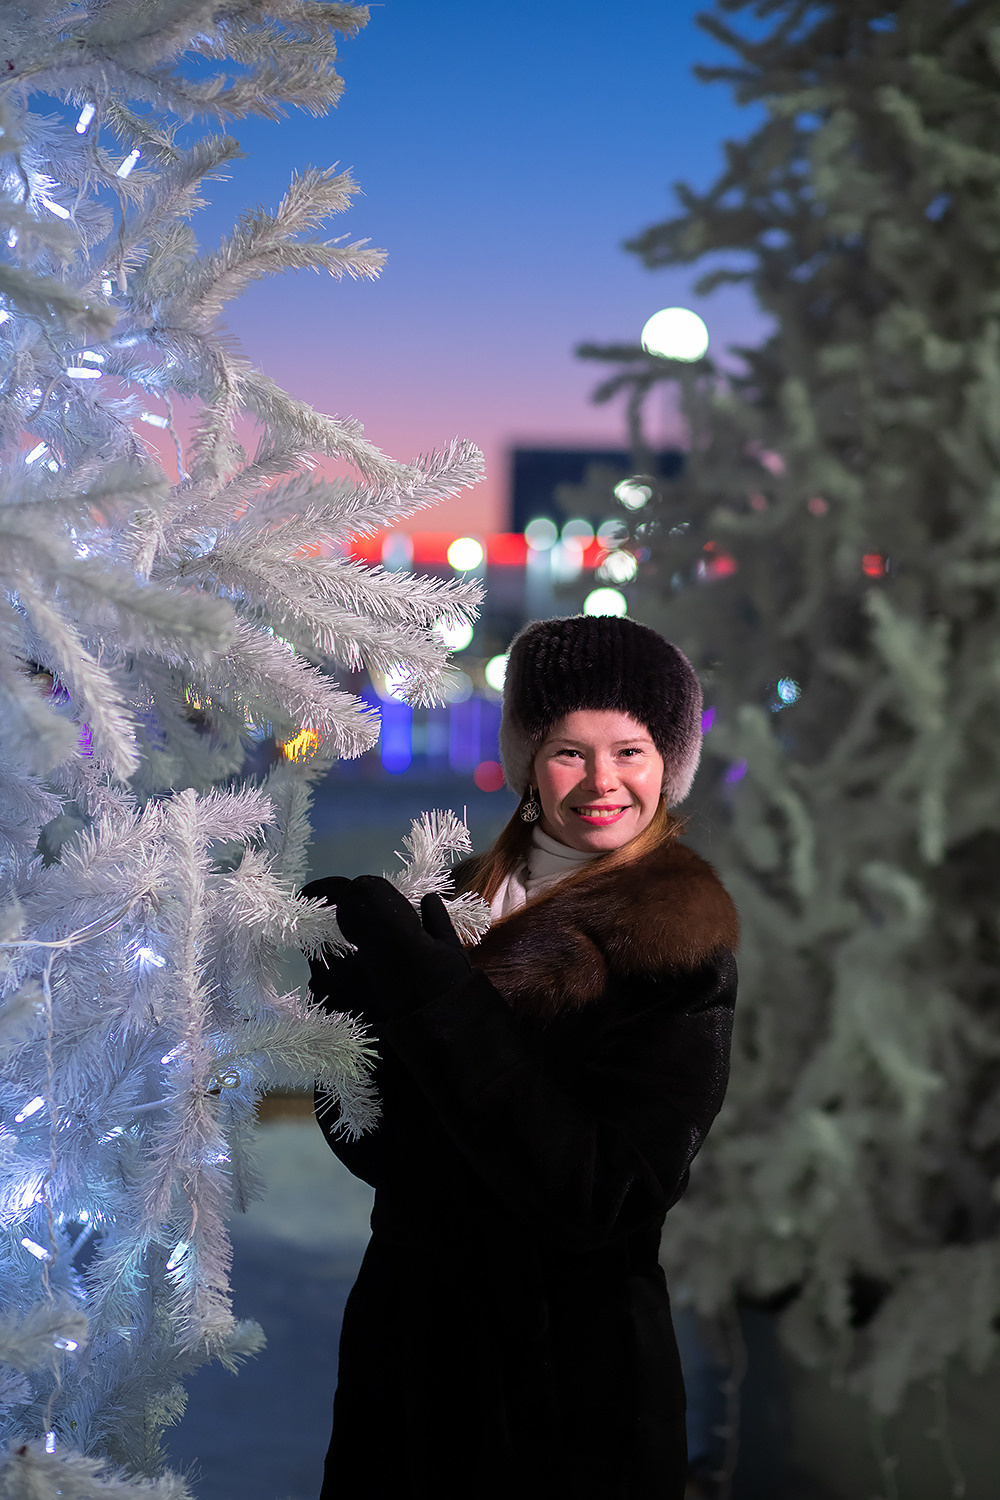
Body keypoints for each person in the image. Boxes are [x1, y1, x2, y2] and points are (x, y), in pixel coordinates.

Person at [303, 614, 739, 1500]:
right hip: (410, 1368)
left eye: (631, 751)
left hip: (571, 1397)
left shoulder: (680, 950)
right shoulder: (453, 904)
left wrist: (440, 1004)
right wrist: (347, 1004)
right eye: (570, 751)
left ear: (669, 765)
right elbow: (379, 1153)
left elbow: (600, 1194)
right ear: (528, 763)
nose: (603, 782)